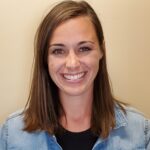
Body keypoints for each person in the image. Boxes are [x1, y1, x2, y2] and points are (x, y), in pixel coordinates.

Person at [0, 0, 150, 149]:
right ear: (45, 57)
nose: (72, 63)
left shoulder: (140, 132)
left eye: (84, 48)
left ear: (101, 50)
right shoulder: (11, 135)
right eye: (58, 51)